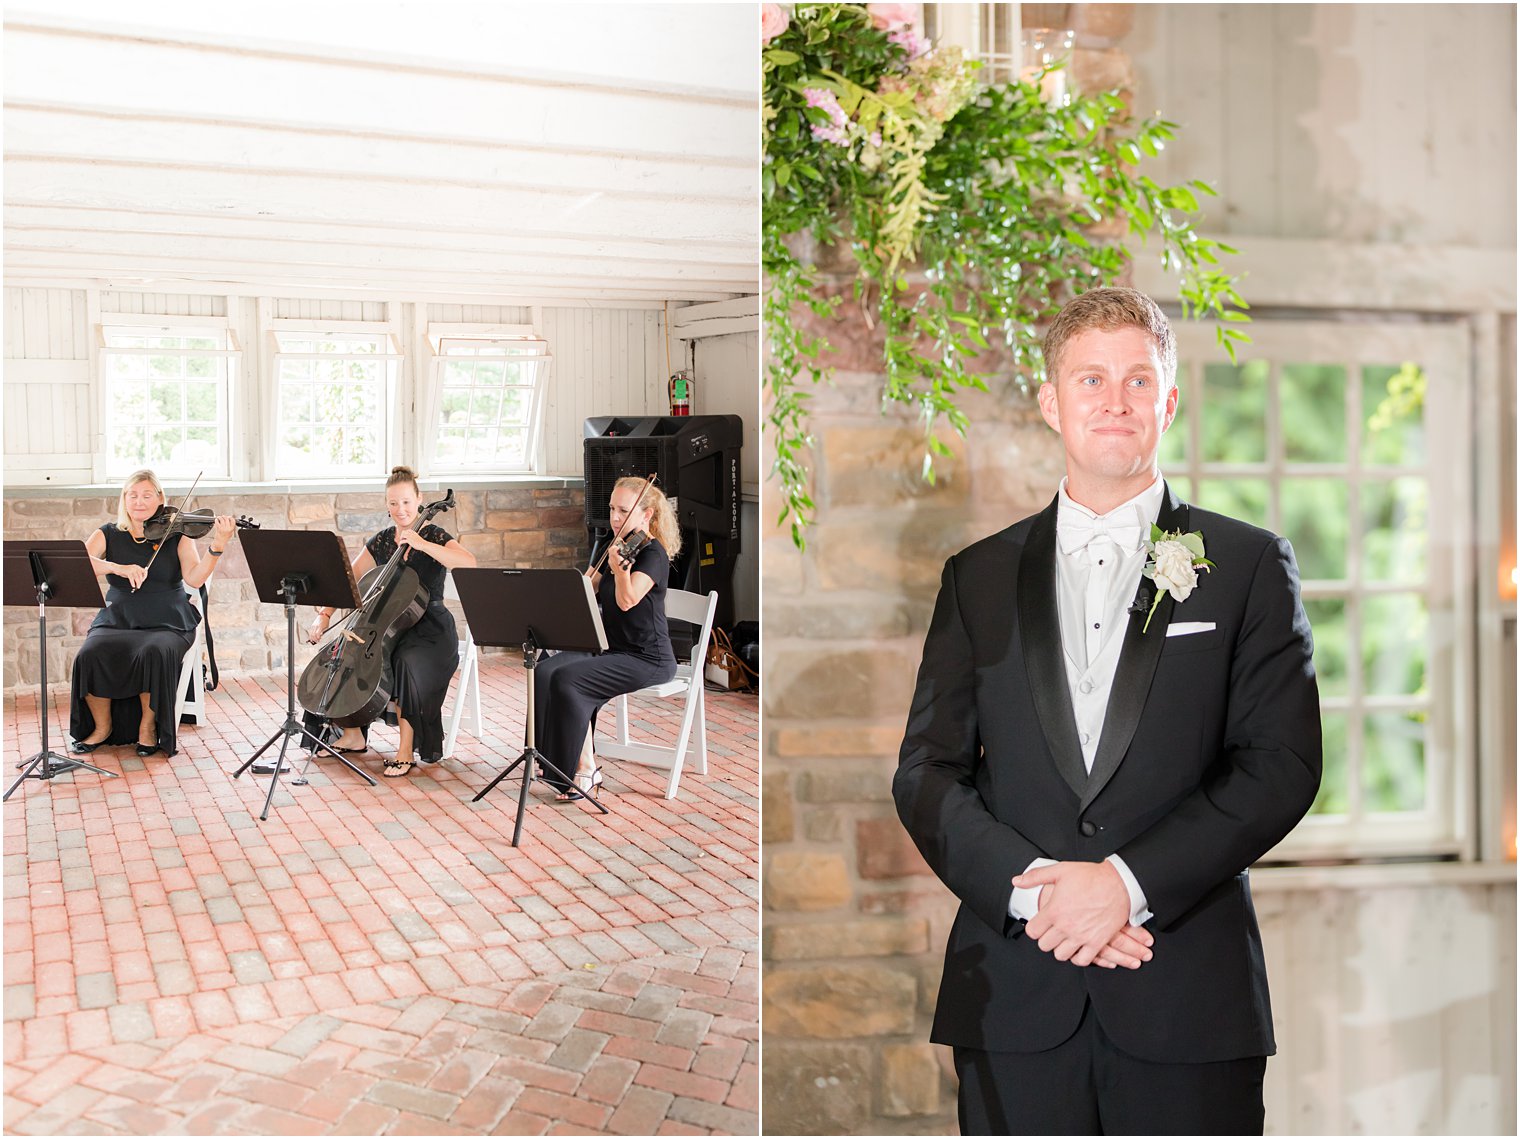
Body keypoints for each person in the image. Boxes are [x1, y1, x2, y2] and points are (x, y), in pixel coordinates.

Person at [893, 287, 1323, 1135]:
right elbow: (926, 771)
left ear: (1169, 399)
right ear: (1051, 401)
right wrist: (1039, 898)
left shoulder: (1246, 564)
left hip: (1187, 994)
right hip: (1015, 991)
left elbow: (1280, 766)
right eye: (1090, 380)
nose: (1115, 401)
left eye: (1137, 381)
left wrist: (1126, 886)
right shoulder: (976, 576)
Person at [303, 466, 476, 777]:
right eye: (394, 503)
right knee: (348, 654)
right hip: (386, 623)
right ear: (386, 504)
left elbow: (469, 563)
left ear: (419, 500)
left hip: (430, 628)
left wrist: (422, 545)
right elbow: (349, 581)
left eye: (407, 502)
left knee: (405, 661)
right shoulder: (383, 541)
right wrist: (324, 614)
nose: (401, 510)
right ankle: (353, 734)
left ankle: (406, 751)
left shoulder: (433, 534)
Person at [69, 469, 237, 759]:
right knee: (90, 654)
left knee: (154, 652)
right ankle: (102, 726)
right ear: (124, 499)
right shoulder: (109, 533)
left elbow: (195, 579)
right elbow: (79, 561)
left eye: (147, 495)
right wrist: (118, 567)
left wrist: (217, 545)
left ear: (161, 499)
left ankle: (148, 727)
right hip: (119, 617)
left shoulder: (178, 535)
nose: (139, 501)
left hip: (167, 619)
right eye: (133, 495)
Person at [534, 477, 680, 800]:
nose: (615, 518)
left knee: (570, 680)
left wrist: (620, 570)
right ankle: (551, 764)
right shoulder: (611, 543)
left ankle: (585, 770)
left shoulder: (653, 554)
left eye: (624, 511)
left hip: (647, 658)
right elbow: (589, 587)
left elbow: (628, 600)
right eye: (613, 509)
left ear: (647, 515)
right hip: (610, 649)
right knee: (544, 670)